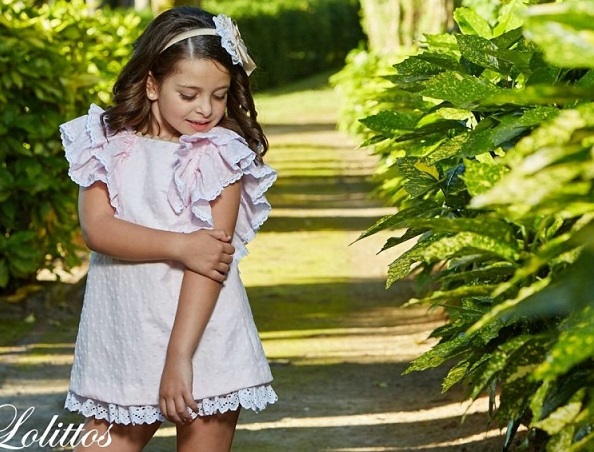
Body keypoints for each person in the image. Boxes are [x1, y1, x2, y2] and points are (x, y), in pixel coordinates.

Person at [60, 6, 277, 451]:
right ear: (152, 84)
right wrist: (182, 245)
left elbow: (210, 265)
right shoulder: (106, 142)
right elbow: (97, 229)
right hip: (123, 338)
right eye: (190, 93)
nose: (206, 109)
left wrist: (180, 358)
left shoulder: (221, 153)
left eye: (219, 95)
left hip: (202, 342)